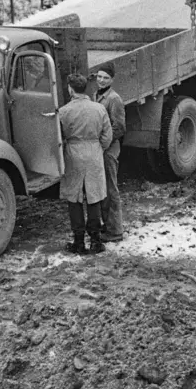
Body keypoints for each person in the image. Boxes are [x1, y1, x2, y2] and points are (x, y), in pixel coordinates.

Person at [58, 72, 113, 255]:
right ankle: (96, 241)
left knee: (74, 198)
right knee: (94, 197)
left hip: (73, 153)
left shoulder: (64, 111)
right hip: (94, 152)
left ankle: (79, 242)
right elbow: (107, 136)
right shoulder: (99, 109)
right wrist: (99, 148)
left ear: (70, 90)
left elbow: (59, 137)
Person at [93, 64, 126, 241]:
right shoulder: (96, 96)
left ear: (112, 80)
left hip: (109, 149)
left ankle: (115, 231)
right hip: (101, 149)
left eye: (105, 78)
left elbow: (119, 127)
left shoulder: (114, 99)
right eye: (99, 77)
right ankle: (108, 226)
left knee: (111, 189)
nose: (101, 80)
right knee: (103, 189)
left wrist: (104, 142)